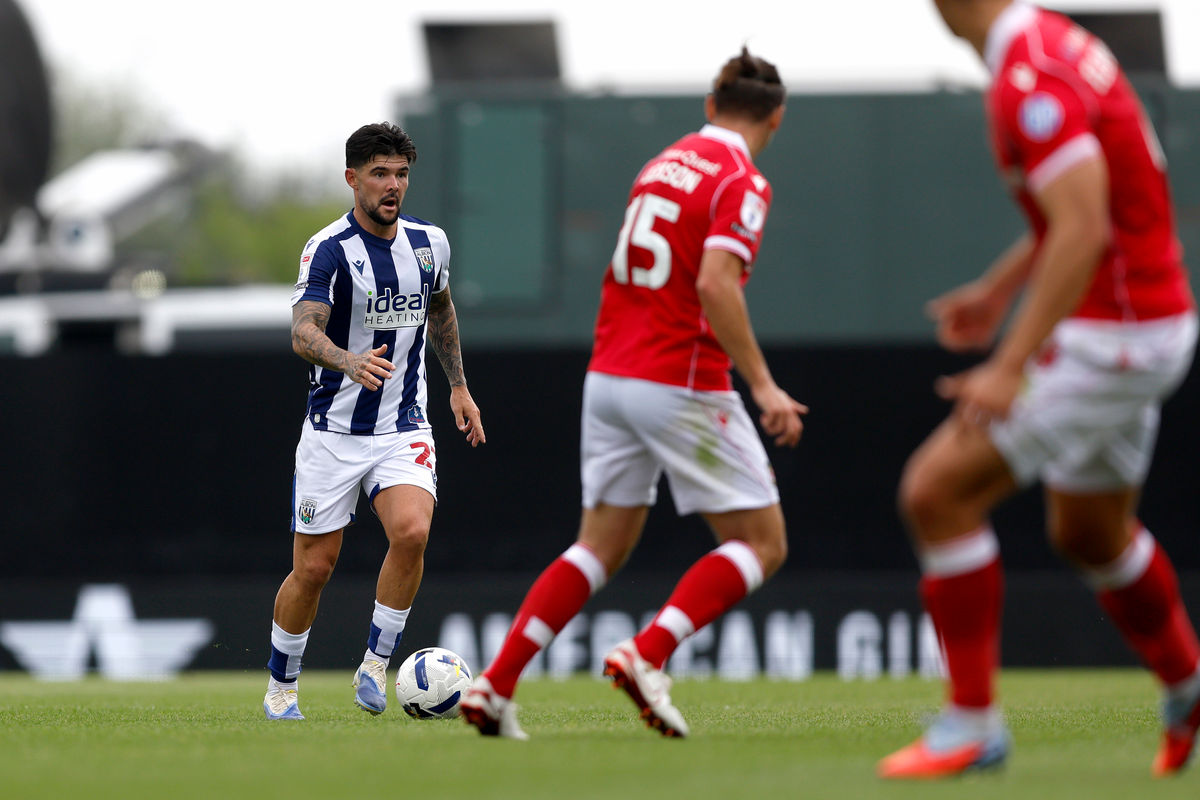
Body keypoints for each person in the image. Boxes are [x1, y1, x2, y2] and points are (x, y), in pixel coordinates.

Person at [878, 1, 1200, 779]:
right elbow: (1087, 210)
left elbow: (1084, 228)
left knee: (936, 492)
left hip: (1113, 337)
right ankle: (1190, 691)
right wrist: (997, 291)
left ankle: (971, 727)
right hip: (1142, 323)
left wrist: (1007, 362)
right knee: (1090, 533)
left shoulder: (1029, 73)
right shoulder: (1053, 44)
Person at [460, 48, 806, 740]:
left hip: (610, 376)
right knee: (762, 543)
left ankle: (495, 687)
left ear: (710, 106)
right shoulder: (743, 180)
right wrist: (763, 384)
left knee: (599, 545)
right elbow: (714, 283)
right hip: (677, 377)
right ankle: (648, 654)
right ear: (776, 118)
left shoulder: (661, 164)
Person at [263, 122, 486, 721]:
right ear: (352, 178)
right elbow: (303, 331)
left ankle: (374, 666)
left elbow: (440, 309)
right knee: (314, 569)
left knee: (412, 531)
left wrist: (459, 387)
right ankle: (282, 686)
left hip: (403, 425)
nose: (393, 186)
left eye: (402, 173)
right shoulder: (328, 248)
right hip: (333, 432)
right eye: (381, 173)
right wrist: (347, 359)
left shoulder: (429, 243)